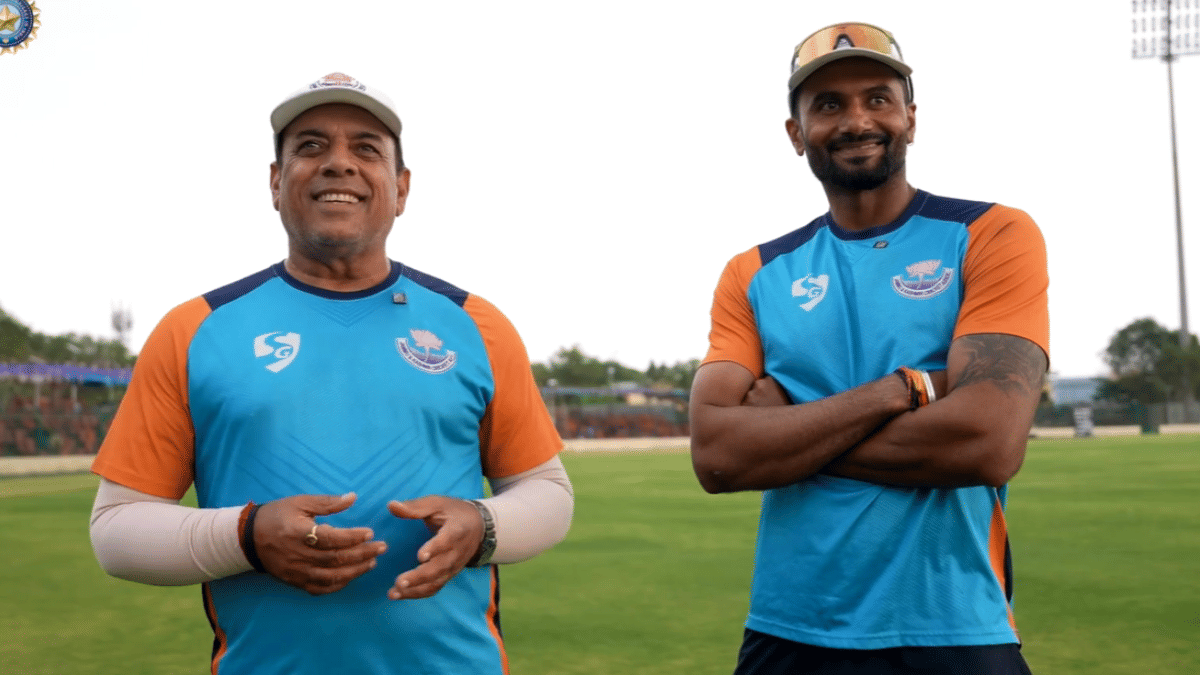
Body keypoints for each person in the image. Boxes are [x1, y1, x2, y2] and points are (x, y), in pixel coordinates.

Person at [89, 73, 574, 675]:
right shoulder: (193, 330)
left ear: (401, 188)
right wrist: (247, 537)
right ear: (275, 181)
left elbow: (548, 494)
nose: (338, 163)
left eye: (366, 148)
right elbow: (117, 530)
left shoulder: (476, 325)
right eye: (311, 146)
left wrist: (482, 525)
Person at [689, 23, 1048, 675]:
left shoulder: (992, 234)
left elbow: (988, 442)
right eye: (828, 104)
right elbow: (717, 456)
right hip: (789, 628)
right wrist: (904, 389)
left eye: (877, 98)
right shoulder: (754, 273)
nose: (857, 120)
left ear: (910, 118)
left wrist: (789, 435)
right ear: (797, 133)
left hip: (953, 625)